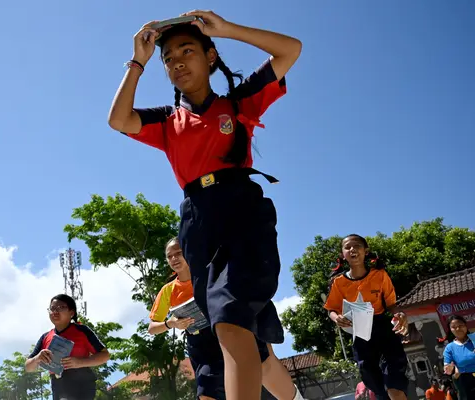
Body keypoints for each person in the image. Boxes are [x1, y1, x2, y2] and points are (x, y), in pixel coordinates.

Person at [108, 10, 302, 400]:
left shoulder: (239, 103)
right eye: (168, 58)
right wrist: (137, 61)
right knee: (254, 348)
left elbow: (290, 50)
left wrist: (227, 29)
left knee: (231, 326)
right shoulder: (166, 121)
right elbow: (119, 119)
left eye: (187, 50)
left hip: (242, 211)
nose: (177, 61)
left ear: (211, 56)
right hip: (198, 222)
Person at [148, 237, 300, 400]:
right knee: (206, 392)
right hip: (202, 344)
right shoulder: (167, 291)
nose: (174, 259)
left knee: (264, 367)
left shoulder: (210, 274)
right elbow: (152, 328)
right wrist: (170, 323)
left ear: (188, 252)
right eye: (169, 256)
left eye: (178, 253)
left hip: (230, 328)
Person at [324, 234, 410, 400]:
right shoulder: (338, 282)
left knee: (394, 384)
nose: (352, 249)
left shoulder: (380, 275)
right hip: (360, 332)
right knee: (374, 382)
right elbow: (331, 310)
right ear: (343, 255)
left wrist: (400, 315)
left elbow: (392, 304)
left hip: (383, 329)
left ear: (366, 251)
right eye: (347, 247)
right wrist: (337, 318)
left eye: (357, 246)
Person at [25, 294, 110, 400]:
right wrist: (37, 358)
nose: (55, 311)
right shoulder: (45, 337)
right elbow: (28, 367)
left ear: (72, 312)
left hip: (82, 383)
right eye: (52, 308)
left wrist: (79, 362)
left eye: (61, 308)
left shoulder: (82, 331)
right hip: (57, 384)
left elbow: (105, 355)